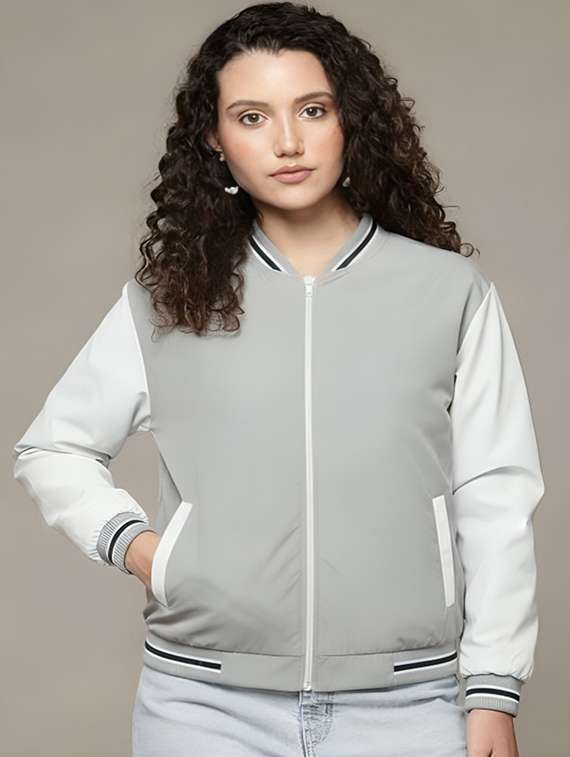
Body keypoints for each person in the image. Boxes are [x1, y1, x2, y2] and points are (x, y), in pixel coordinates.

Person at [12, 2, 545, 755]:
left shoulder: (450, 293)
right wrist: (142, 548)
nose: (288, 142)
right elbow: (52, 448)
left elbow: (496, 493)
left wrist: (493, 688)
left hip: (407, 703)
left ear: (350, 119)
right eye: (252, 117)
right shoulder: (171, 299)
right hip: (202, 705)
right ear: (215, 138)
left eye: (312, 110)